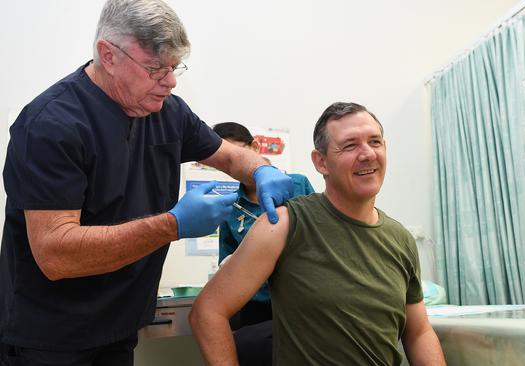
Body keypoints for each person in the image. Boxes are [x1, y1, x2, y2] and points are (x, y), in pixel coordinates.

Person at [0, 1, 293, 365]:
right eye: (156, 68)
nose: (169, 81)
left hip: (120, 327)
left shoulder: (167, 111)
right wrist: (173, 225)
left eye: (174, 68)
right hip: (50, 338)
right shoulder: (52, 125)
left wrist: (262, 170)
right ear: (108, 54)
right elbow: (55, 254)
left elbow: (231, 156)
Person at [190, 102, 446, 365]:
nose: (367, 153)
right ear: (321, 162)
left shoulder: (400, 238)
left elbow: (418, 333)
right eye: (350, 145)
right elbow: (208, 312)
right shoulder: (283, 223)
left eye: (375, 142)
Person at [212, 122, 315, 329]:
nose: (233, 163)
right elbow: (226, 261)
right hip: (255, 306)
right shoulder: (231, 206)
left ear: (256, 147)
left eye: (238, 152)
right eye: (223, 161)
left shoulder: (297, 185)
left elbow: (319, 236)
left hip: (301, 302)